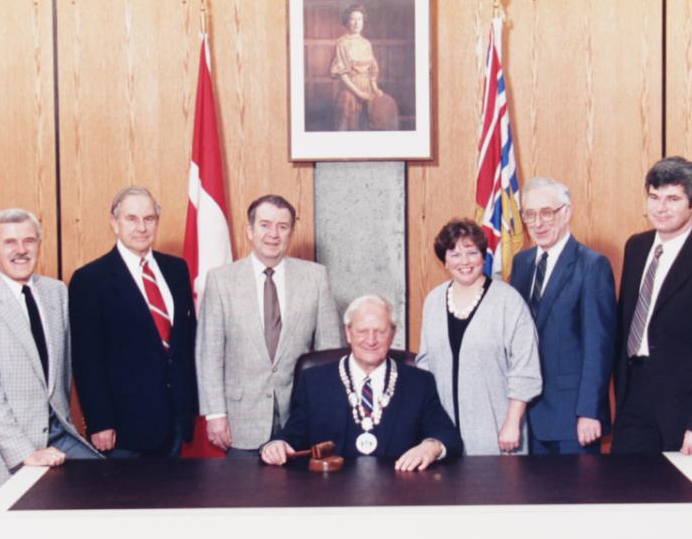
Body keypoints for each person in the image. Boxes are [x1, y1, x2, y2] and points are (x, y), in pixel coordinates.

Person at [0, 208, 99, 501]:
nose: (21, 250)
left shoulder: (56, 292)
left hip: (58, 437)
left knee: (107, 489)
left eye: (29, 241)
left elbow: (64, 370)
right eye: (10, 242)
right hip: (3, 449)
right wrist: (25, 453)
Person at [612, 156, 692, 461]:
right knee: (625, 498)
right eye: (654, 197)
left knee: (680, 503)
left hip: (683, 412)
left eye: (673, 199)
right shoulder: (636, 247)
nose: (661, 207)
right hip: (632, 400)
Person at [196, 194, 342, 454]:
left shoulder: (315, 277)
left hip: (300, 419)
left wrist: (325, 409)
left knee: (300, 494)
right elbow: (210, 353)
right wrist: (215, 414)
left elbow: (329, 354)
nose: (273, 234)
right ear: (249, 231)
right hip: (241, 422)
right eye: (265, 225)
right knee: (243, 494)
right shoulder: (221, 281)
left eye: (282, 226)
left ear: (290, 233)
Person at [68, 186, 197, 458]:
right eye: (132, 219)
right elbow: (87, 359)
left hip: (175, 421)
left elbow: (186, 343)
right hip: (123, 430)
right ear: (114, 223)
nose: (142, 227)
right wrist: (100, 420)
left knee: (173, 500)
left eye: (149, 219)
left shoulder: (176, 270)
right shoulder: (90, 280)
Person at [262, 295, 461, 469]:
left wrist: (432, 446)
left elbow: (447, 436)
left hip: (399, 495)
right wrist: (277, 446)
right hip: (329, 495)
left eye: (380, 331)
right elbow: (292, 435)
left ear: (392, 335)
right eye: (362, 331)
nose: (371, 340)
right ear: (348, 333)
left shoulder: (418, 382)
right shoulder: (314, 381)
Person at [509, 177, 616, 454]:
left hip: (572, 418)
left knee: (575, 496)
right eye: (529, 214)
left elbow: (599, 347)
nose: (538, 223)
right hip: (526, 416)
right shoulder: (521, 264)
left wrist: (589, 412)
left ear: (566, 212)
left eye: (547, 212)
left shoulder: (592, 266)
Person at [415, 219, 541, 455]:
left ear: (483, 257)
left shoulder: (508, 300)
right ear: (444, 261)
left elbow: (525, 368)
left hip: (496, 430)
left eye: (472, 252)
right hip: (444, 431)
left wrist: (512, 423)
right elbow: (425, 364)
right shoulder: (433, 300)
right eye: (454, 254)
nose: (464, 261)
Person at [329, 4, 397, 131]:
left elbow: (372, 70)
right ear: (347, 21)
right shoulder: (342, 43)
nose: (356, 23)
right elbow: (343, 74)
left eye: (359, 19)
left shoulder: (366, 43)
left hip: (367, 90)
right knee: (349, 128)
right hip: (349, 92)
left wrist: (374, 88)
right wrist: (359, 93)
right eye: (353, 19)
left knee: (369, 123)